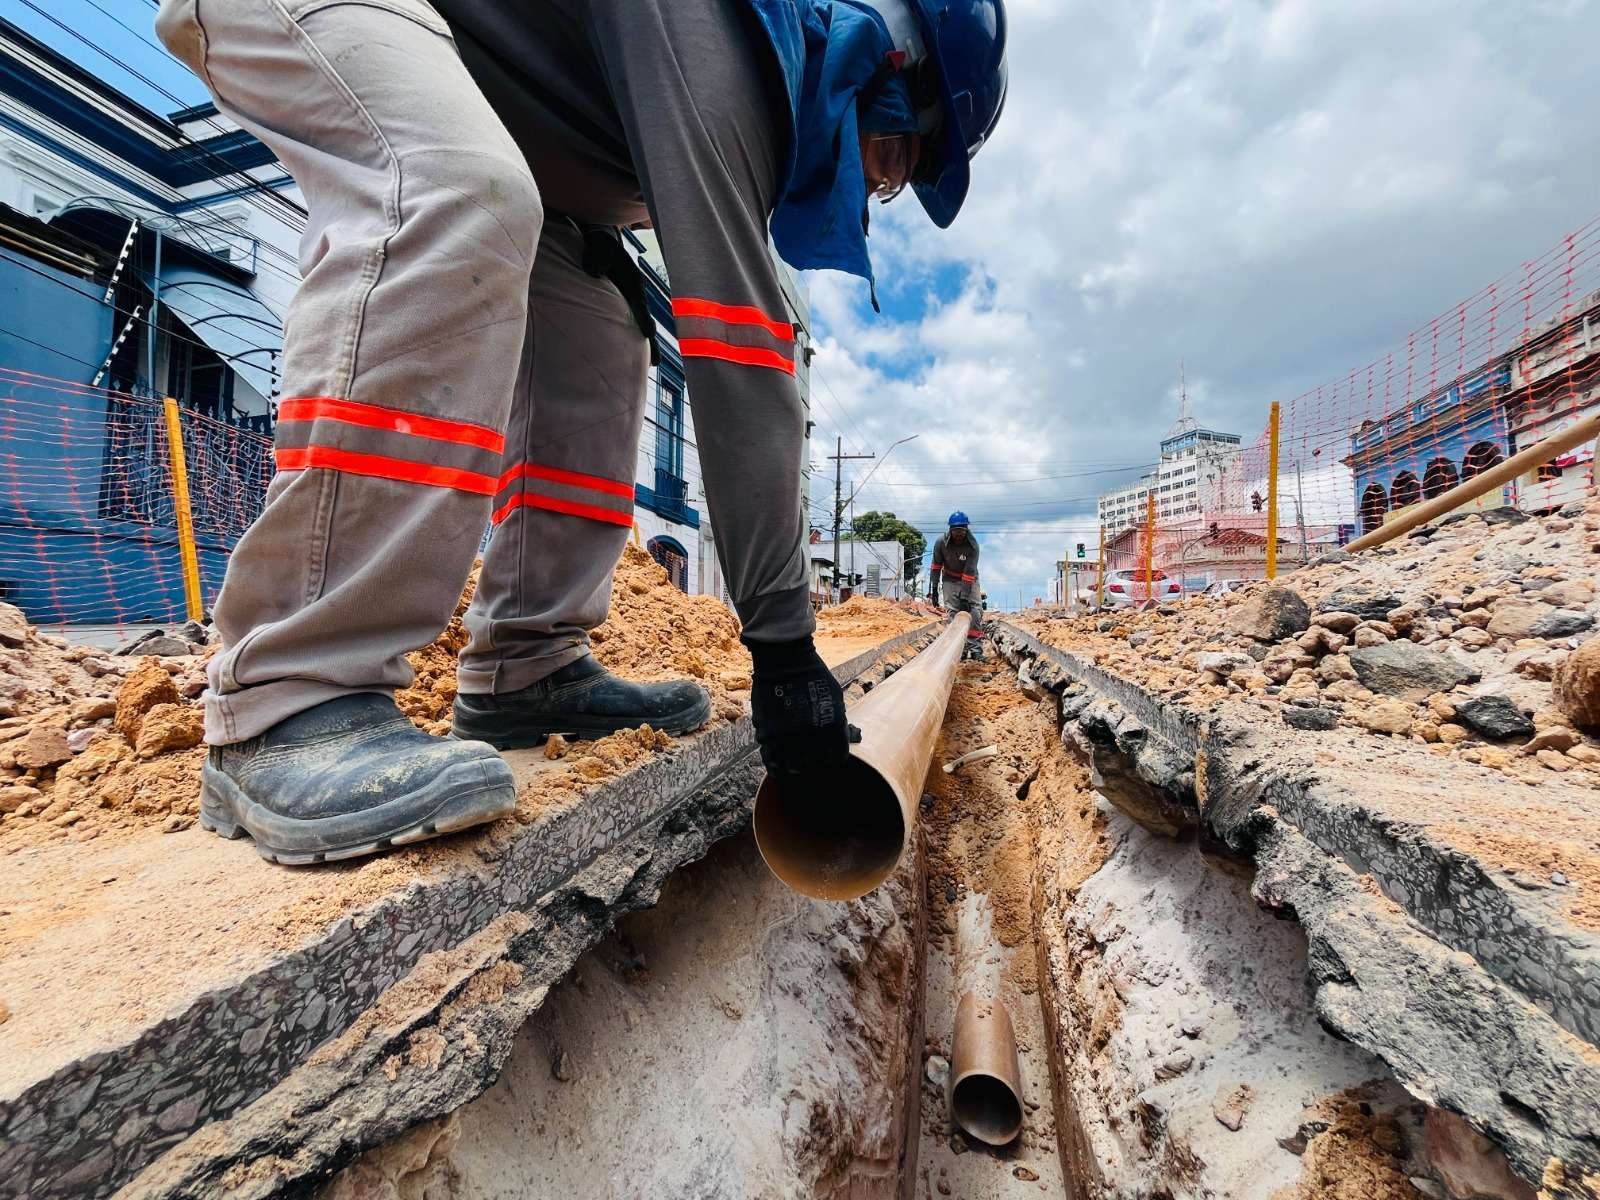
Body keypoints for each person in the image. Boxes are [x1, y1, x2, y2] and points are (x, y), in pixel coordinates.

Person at [153, 0, 1008, 864]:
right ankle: (289, 693)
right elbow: (739, 348)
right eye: (890, 159)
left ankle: (525, 667)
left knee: (604, 320)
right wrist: (784, 649)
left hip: (521, 128)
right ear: (883, 69)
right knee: (458, 188)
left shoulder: (748, 71)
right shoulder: (736, 41)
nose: (872, 186)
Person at [929, 511, 985, 659]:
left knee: (974, 611)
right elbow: (935, 566)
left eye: (961, 531)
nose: (958, 534)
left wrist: (965, 597)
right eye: (955, 531)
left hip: (969, 578)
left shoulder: (973, 546)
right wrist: (934, 589)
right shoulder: (941, 542)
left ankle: (976, 649)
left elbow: (969, 572)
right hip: (949, 578)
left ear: (966, 529)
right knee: (953, 612)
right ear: (950, 530)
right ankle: (958, 649)